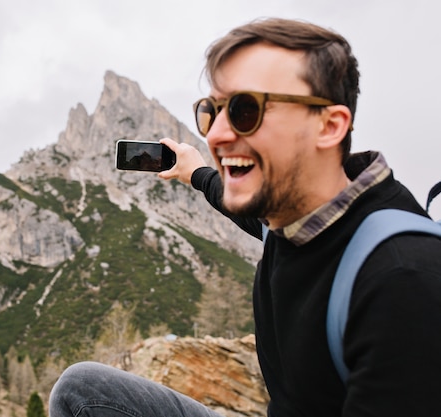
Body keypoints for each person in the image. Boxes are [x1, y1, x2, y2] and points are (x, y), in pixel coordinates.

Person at [50, 17, 441, 417]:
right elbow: (235, 203)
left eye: (244, 109)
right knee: (83, 391)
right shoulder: (291, 217)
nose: (216, 133)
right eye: (211, 110)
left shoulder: (401, 282)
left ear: (329, 126)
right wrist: (195, 172)